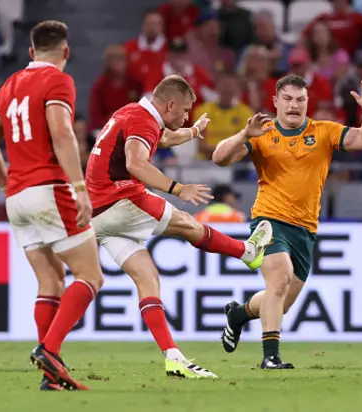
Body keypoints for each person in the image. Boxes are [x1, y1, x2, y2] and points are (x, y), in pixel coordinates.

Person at [85, 75, 273, 379]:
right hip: (119, 199)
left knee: (148, 279)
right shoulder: (143, 120)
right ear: (169, 103)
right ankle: (247, 251)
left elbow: (163, 138)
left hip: (99, 214)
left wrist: (193, 131)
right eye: (185, 111)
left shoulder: (133, 113)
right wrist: (177, 188)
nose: (187, 116)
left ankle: (173, 357)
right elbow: (135, 163)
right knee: (186, 223)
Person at [212, 75, 362, 369]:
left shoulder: (324, 131)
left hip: (305, 228)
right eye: (288, 99)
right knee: (279, 280)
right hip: (268, 220)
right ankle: (271, 358)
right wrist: (244, 134)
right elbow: (219, 158)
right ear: (276, 102)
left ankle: (238, 315)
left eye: (300, 100)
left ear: (307, 102)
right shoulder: (261, 133)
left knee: (282, 300)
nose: (294, 106)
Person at [0, 20, 104, 392]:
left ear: (31, 52)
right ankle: (49, 350)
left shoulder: (10, 84)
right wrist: (80, 188)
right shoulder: (58, 80)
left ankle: (52, 377)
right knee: (91, 277)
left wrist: (7, 184)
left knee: (50, 281)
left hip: (18, 196)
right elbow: (62, 132)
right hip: (49, 188)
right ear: (65, 52)